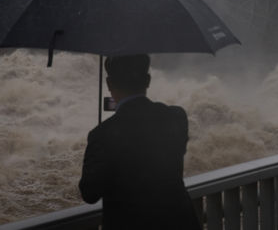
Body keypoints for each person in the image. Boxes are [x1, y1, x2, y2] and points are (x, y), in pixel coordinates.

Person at [79, 54, 201, 230]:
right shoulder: (176, 117)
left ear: (109, 84)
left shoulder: (103, 134)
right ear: (148, 80)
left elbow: (89, 193)